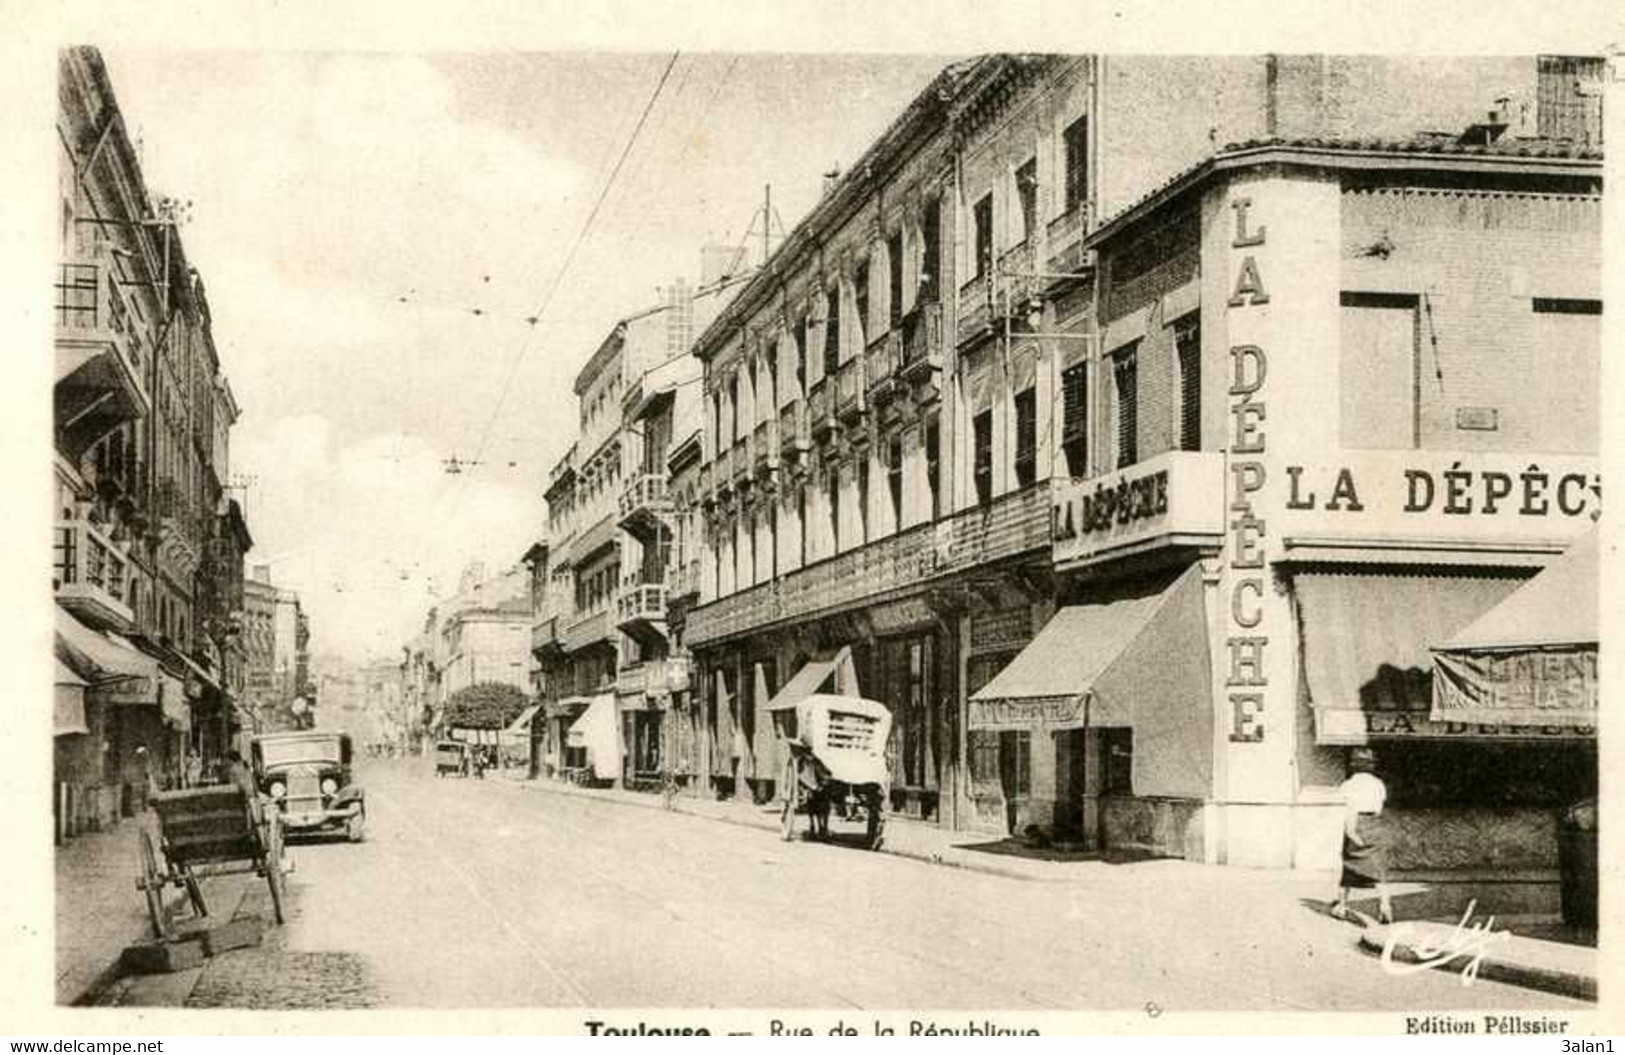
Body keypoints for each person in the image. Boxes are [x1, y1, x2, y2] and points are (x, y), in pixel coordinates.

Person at [1332, 747, 1393, 924]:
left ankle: (1342, 907)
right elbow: (1379, 808)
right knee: (1378, 870)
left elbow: (1349, 810)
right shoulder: (1378, 784)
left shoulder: (1348, 785)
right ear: (1371, 765)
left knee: (1349, 868)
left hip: (1357, 824)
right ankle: (1385, 906)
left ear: (1353, 765)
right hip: (1375, 825)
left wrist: (1351, 832)